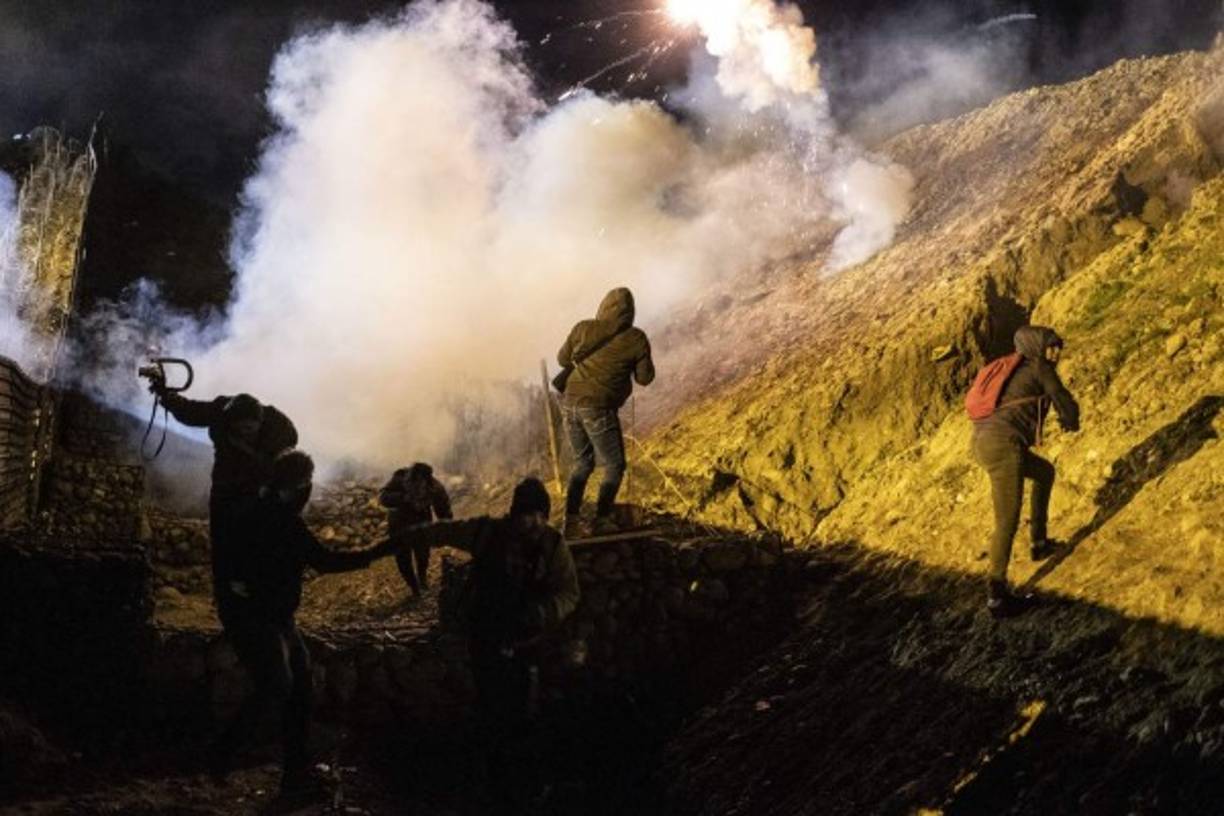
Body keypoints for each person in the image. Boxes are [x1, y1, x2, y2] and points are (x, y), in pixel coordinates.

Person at [209, 450, 396, 794]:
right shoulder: (270, 518)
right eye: (305, 483)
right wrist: (373, 554)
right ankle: (222, 756)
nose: (307, 490)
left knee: (300, 688)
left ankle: (293, 773)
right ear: (295, 486)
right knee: (277, 685)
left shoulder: (266, 514)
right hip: (256, 618)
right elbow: (323, 560)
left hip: (276, 617)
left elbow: (316, 560)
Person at [396, 478, 579, 809]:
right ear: (515, 514)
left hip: (528, 642)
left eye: (541, 515)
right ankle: (495, 785)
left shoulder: (553, 546)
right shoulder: (487, 533)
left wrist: (545, 611)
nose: (535, 523)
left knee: (524, 713)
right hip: (488, 640)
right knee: (493, 709)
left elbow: (569, 591)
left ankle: (522, 784)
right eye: (528, 515)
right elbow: (445, 531)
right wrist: (407, 537)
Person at [150, 385, 298, 604]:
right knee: (222, 538)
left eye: (250, 429)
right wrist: (167, 397)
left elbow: (288, 457)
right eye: (240, 429)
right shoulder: (220, 411)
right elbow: (191, 412)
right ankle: (227, 594)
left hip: (258, 484)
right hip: (226, 483)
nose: (245, 434)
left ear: (260, 422)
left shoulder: (279, 427)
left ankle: (261, 589)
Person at [971, 326, 1080, 617]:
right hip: (1003, 446)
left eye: (1058, 347)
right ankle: (997, 597)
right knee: (1006, 521)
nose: (1056, 353)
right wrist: (1072, 419)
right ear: (1037, 347)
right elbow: (1060, 395)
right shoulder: (1039, 366)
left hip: (984, 442)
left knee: (1044, 473)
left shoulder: (1014, 369)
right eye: (1051, 347)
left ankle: (1039, 543)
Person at [556, 287, 655, 535]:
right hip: (597, 407)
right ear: (630, 311)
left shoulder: (583, 328)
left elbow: (562, 359)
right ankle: (602, 519)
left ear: (603, 306)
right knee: (614, 465)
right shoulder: (636, 338)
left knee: (582, 464)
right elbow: (645, 378)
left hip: (569, 403)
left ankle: (571, 522)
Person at [378, 462, 453, 596]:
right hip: (399, 525)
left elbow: (443, 507)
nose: (419, 486)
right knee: (403, 560)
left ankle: (422, 580)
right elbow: (383, 498)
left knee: (423, 555)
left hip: (422, 523)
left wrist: (447, 526)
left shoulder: (434, 487)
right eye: (416, 482)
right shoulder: (400, 478)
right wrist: (403, 498)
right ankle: (414, 587)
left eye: (422, 483)